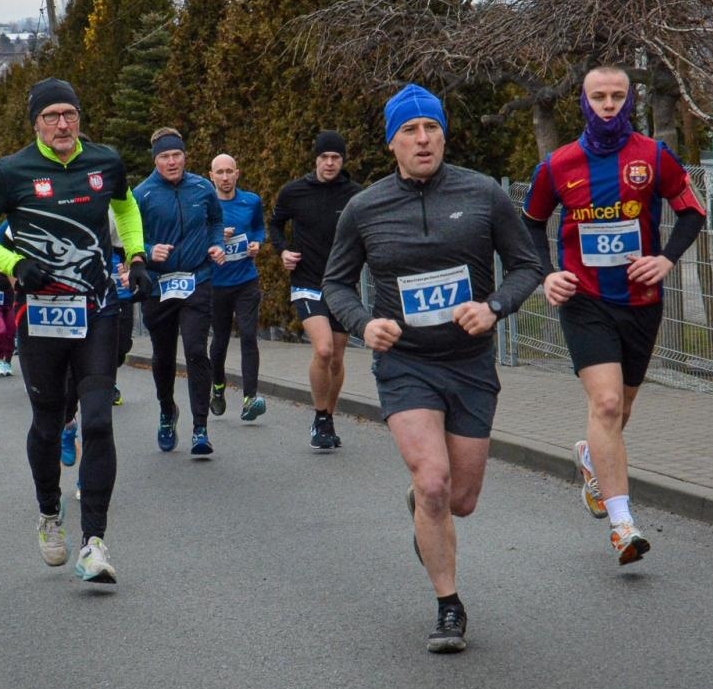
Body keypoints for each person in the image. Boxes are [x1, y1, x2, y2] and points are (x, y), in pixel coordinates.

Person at [323, 84, 544, 654]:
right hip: (406, 364)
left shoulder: (482, 195)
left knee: (462, 499)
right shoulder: (365, 207)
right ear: (391, 142)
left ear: (443, 134)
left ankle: (426, 506)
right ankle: (449, 606)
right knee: (434, 481)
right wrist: (363, 323)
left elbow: (526, 266)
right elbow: (335, 283)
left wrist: (493, 307)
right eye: (410, 132)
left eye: (432, 130)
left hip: (469, 363)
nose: (423, 140)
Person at [0, 77, 151, 583]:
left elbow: (126, 206)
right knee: (46, 422)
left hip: (98, 308)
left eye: (70, 114)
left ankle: (95, 544)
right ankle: (47, 513)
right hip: (39, 315)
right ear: (36, 123)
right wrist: (15, 264)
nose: (62, 125)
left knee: (99, 420)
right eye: (51, 116)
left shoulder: (104, 162)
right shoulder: (11, 172)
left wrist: (136, 254)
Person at [522, 65, 708, 565]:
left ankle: (590, 456)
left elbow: (693, 210)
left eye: (617, 96)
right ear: (583, 102)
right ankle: (623, 525)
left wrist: (665, 258)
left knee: (619, 412)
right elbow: (530, 222)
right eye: (599, 96)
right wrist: (546, 274)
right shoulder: (559, 164)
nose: (608, 104)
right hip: (584, 301)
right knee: (605, 405)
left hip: (641, 302)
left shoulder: (651, 155)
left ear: (630, 101)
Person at [134, 127, 224, 457]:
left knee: (197, 349)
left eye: (176, 155)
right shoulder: (141, 194)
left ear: (185, 156)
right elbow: (127, 237)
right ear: (155, 160)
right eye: (164, 157)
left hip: (197, 279)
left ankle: (200, 427)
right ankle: (166, 410)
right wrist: (146, 249)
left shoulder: (202, 187)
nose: (172, 162)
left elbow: (215, 220)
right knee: (163, 355)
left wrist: (215, 245)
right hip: (159, 284)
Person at [270, 130, 362, 449]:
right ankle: (320, 416)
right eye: (324, 157)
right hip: (307, 282)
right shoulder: (294, 192)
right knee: (322, 349)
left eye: (335, 157)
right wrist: (282, 250)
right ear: (316, 159)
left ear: (342, 161)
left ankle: (327, 419)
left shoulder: (355, 195)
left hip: (342, 285)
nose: (330, 163)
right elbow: (275, 224)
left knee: (336, 358)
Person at [206, 153, 267, 422]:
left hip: (245, 280)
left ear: (238, 173)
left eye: (230, 171)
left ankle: (249, 398)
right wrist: (218, 236)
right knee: (219, 341)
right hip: (216, 284)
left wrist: (256, 244)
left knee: (248, 336)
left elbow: (258, 228)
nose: (225, 177)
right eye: (220, 172)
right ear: (211, 176)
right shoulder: (206, 205)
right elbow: (196, 238)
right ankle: (218, 387)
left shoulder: (251, 201)